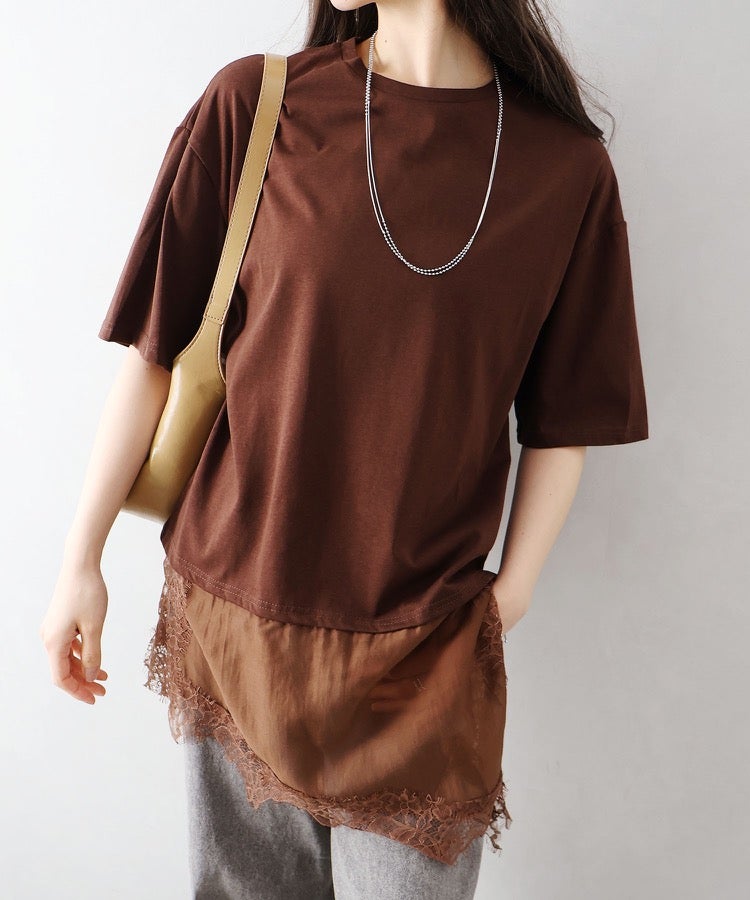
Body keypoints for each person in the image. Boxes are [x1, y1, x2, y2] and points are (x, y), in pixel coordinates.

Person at [39, 1, 649, 897]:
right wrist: (79, 560)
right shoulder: (258, 105)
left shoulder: (564, 168)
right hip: (238, 624)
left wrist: (507, 598)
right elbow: (155, 356)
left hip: (423, 663)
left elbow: (567, 420)